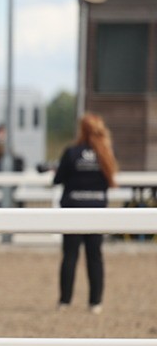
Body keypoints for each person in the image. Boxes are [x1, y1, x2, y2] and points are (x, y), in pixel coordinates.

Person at [52, 113, 117, 314]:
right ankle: (95, 302)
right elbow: (109, 182)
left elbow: (58, 179)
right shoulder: (105, 154)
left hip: (73, 210)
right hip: (97, 210)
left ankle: (65, 301)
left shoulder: (71, 153)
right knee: (95, 256)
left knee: (70, 256)